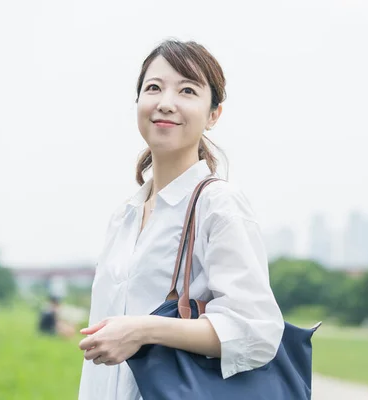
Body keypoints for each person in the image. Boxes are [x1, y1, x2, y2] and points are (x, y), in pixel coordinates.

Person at [77, 39, 284, 400]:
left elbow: (257, 332)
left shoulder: (218, 204)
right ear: (138, 101)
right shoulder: (124, 216)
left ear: (213, 114)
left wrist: (143, 330)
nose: (166, 103)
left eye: (187, 90)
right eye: (153, 88)